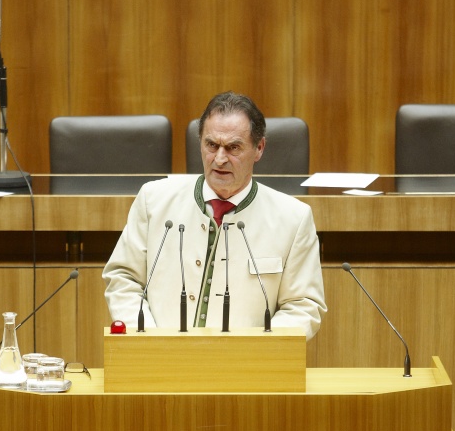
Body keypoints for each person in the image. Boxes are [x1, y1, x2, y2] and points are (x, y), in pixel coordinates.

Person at [103, 91, 326, 339]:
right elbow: (124, 278)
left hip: (245, 369)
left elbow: (303, 306)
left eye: (233, 148)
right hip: (161, 361)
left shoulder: (293, 218)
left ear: (259, 148)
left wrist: (256, 352)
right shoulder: (153, 200)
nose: (219, 159)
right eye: (211, 145)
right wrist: (150, 338)